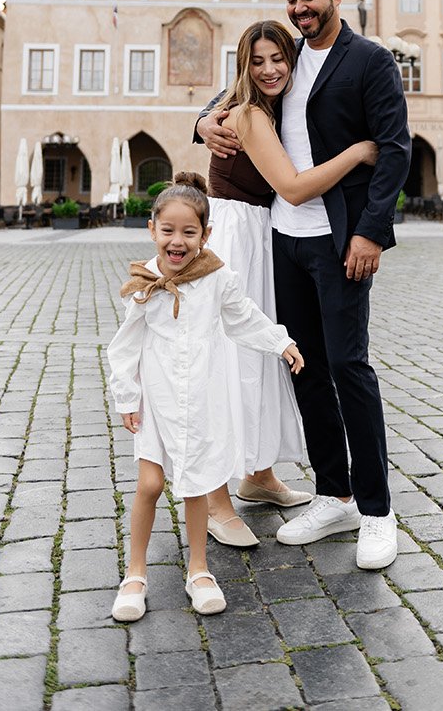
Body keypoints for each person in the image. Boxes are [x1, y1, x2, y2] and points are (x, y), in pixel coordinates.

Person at [198, 0, 411, 570]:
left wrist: (372, 233)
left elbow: (394, 150)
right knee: (306, 371)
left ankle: (375, 511)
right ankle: (334, 494)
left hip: (339, 240)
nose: (300, 9)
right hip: (282, 241)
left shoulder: (370, 61)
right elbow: (233, 92)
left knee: (350, 369)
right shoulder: (285, 55)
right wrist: (201, 120)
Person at [205, 19, 379, 548]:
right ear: (243, 66)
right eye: (256, 62)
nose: (270, 68)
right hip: (238, 234)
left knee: (266, 360)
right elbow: (294, 186)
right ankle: (214, 500)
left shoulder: (285, 93)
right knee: (227, 361)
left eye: (277, 58)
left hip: (268, 232)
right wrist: (359, 152)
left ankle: (257, 478)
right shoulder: (250, 112)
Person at [106, 173, 303, 622]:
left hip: (202, 399)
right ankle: (135, 573)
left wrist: (280, 342)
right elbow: (125, 346)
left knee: (196, 483)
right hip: (157, 401)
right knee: (151, 484)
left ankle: (199, 570)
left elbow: (244, 318)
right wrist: (127, 398)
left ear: (205, 235)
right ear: (152, 229)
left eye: (189, 232)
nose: (177, 241)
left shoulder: (218, 278)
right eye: (168, 230)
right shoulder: (145, 283)